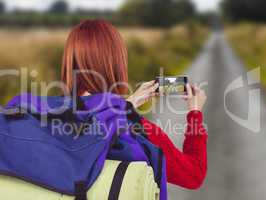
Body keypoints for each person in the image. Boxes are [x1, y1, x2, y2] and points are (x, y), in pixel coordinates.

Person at [61, 19, 207, 189]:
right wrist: (195, 113)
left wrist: (125, 106)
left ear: (69, 62)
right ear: (116, 64)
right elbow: (193, 175)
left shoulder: (49, 121)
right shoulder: (140, 131)